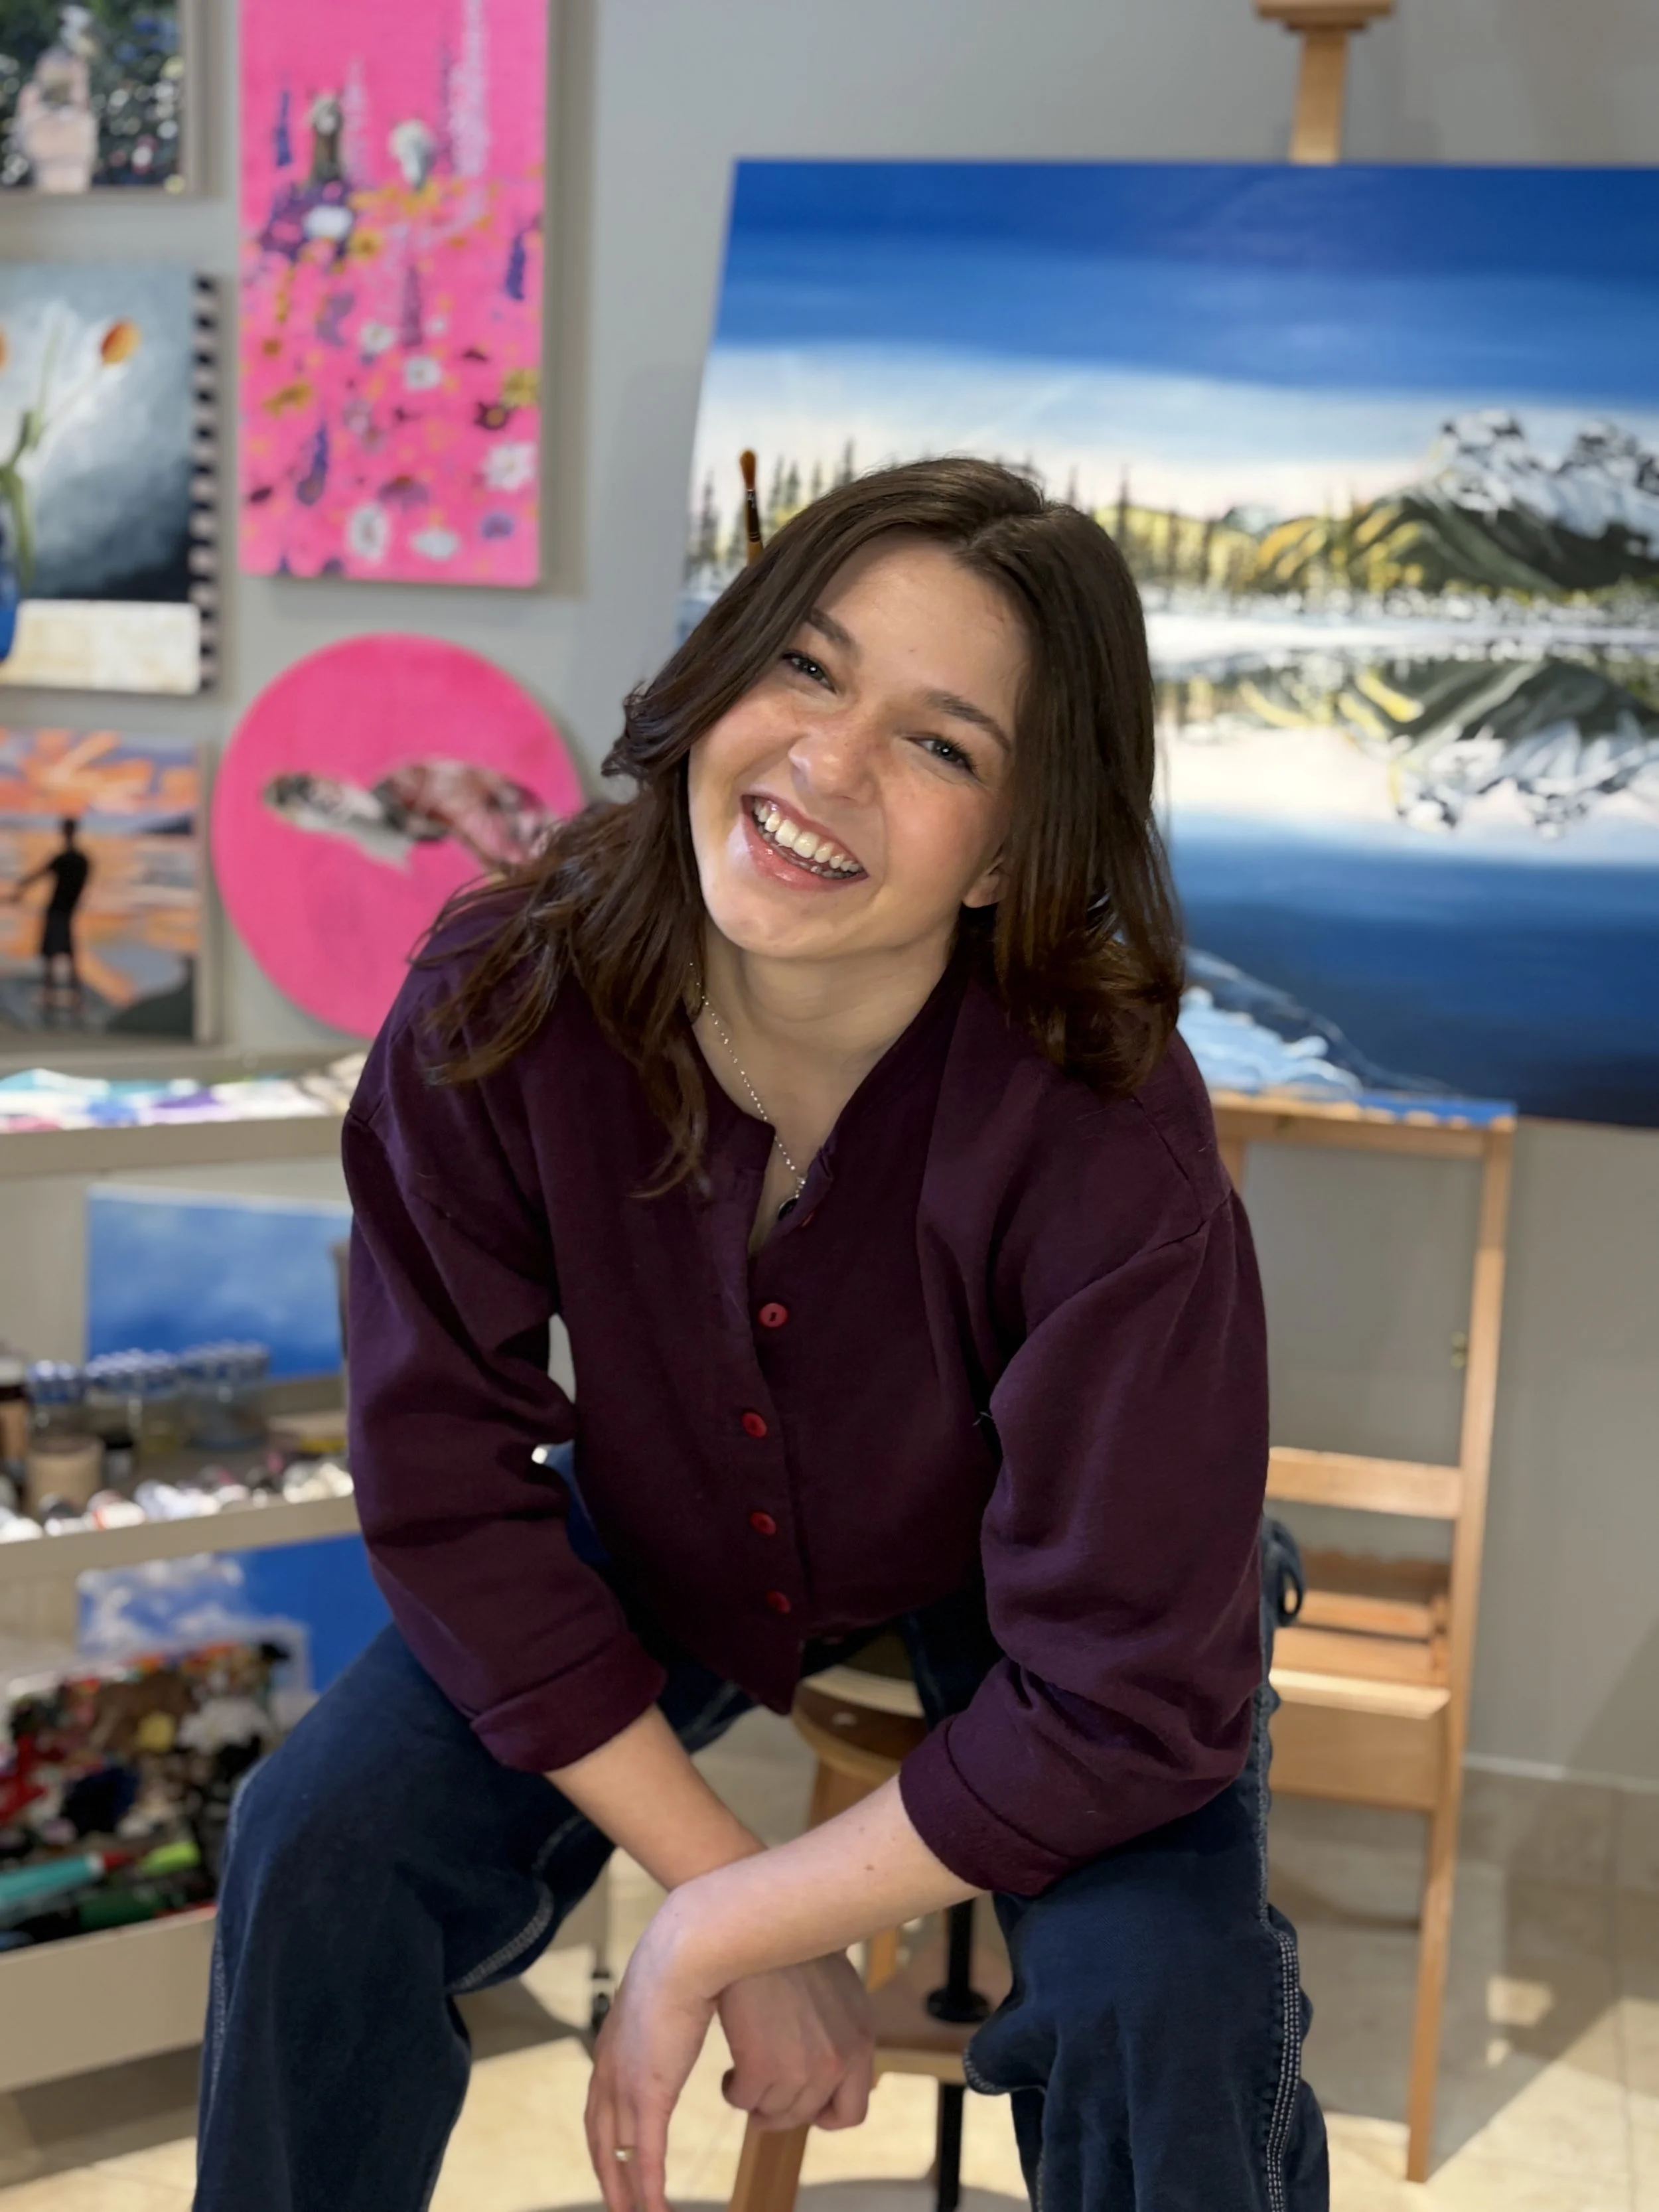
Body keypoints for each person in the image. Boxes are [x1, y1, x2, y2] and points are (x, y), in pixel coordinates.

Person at [196, 459, 1329, 2212]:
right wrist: (738, 1880)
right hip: (671, 1523)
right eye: (804, 667)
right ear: (720, 669)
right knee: (316, 1844)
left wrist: (722, 1922)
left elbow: (1121, 1696)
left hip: (1068, 1601)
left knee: (1166, 1996)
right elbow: (444, 1489)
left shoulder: (1107, 1124)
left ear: (1014, 852)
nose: (827, 760)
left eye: (940, 744)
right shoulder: (501, 1000)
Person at [7, 817, 91, 1017]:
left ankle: (50, 997)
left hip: (57, 912)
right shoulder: (81, 861)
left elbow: (36, 877)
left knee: (53, 956)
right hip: (66, 913)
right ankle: (72, 997)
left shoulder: (66, 860)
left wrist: (17, 893)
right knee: (67, 955)